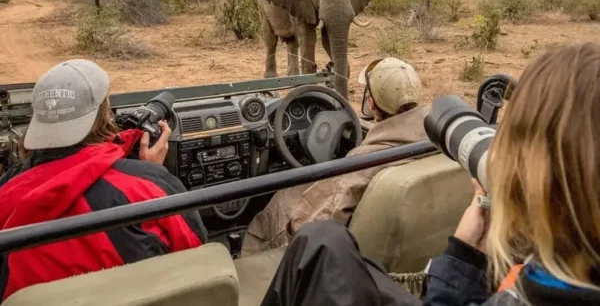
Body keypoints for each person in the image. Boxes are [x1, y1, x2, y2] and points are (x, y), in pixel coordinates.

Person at [260, 42, 600, 306]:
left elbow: (312, 217)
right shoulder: (431, 147)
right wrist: (463, 256)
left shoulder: (359, 164)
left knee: (315, 238)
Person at [0, 59, 208, 301]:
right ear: (104, 115)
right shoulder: (148, 187)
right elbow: (197, 254)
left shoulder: (7, 191)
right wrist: (150, 174)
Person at [243, 58, 431, 255]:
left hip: (350, 249)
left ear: (371, 104)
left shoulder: (363, 162)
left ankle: (256, 263)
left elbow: (314, 225)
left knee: (280, 200)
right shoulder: (439, 139)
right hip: (408, 239)